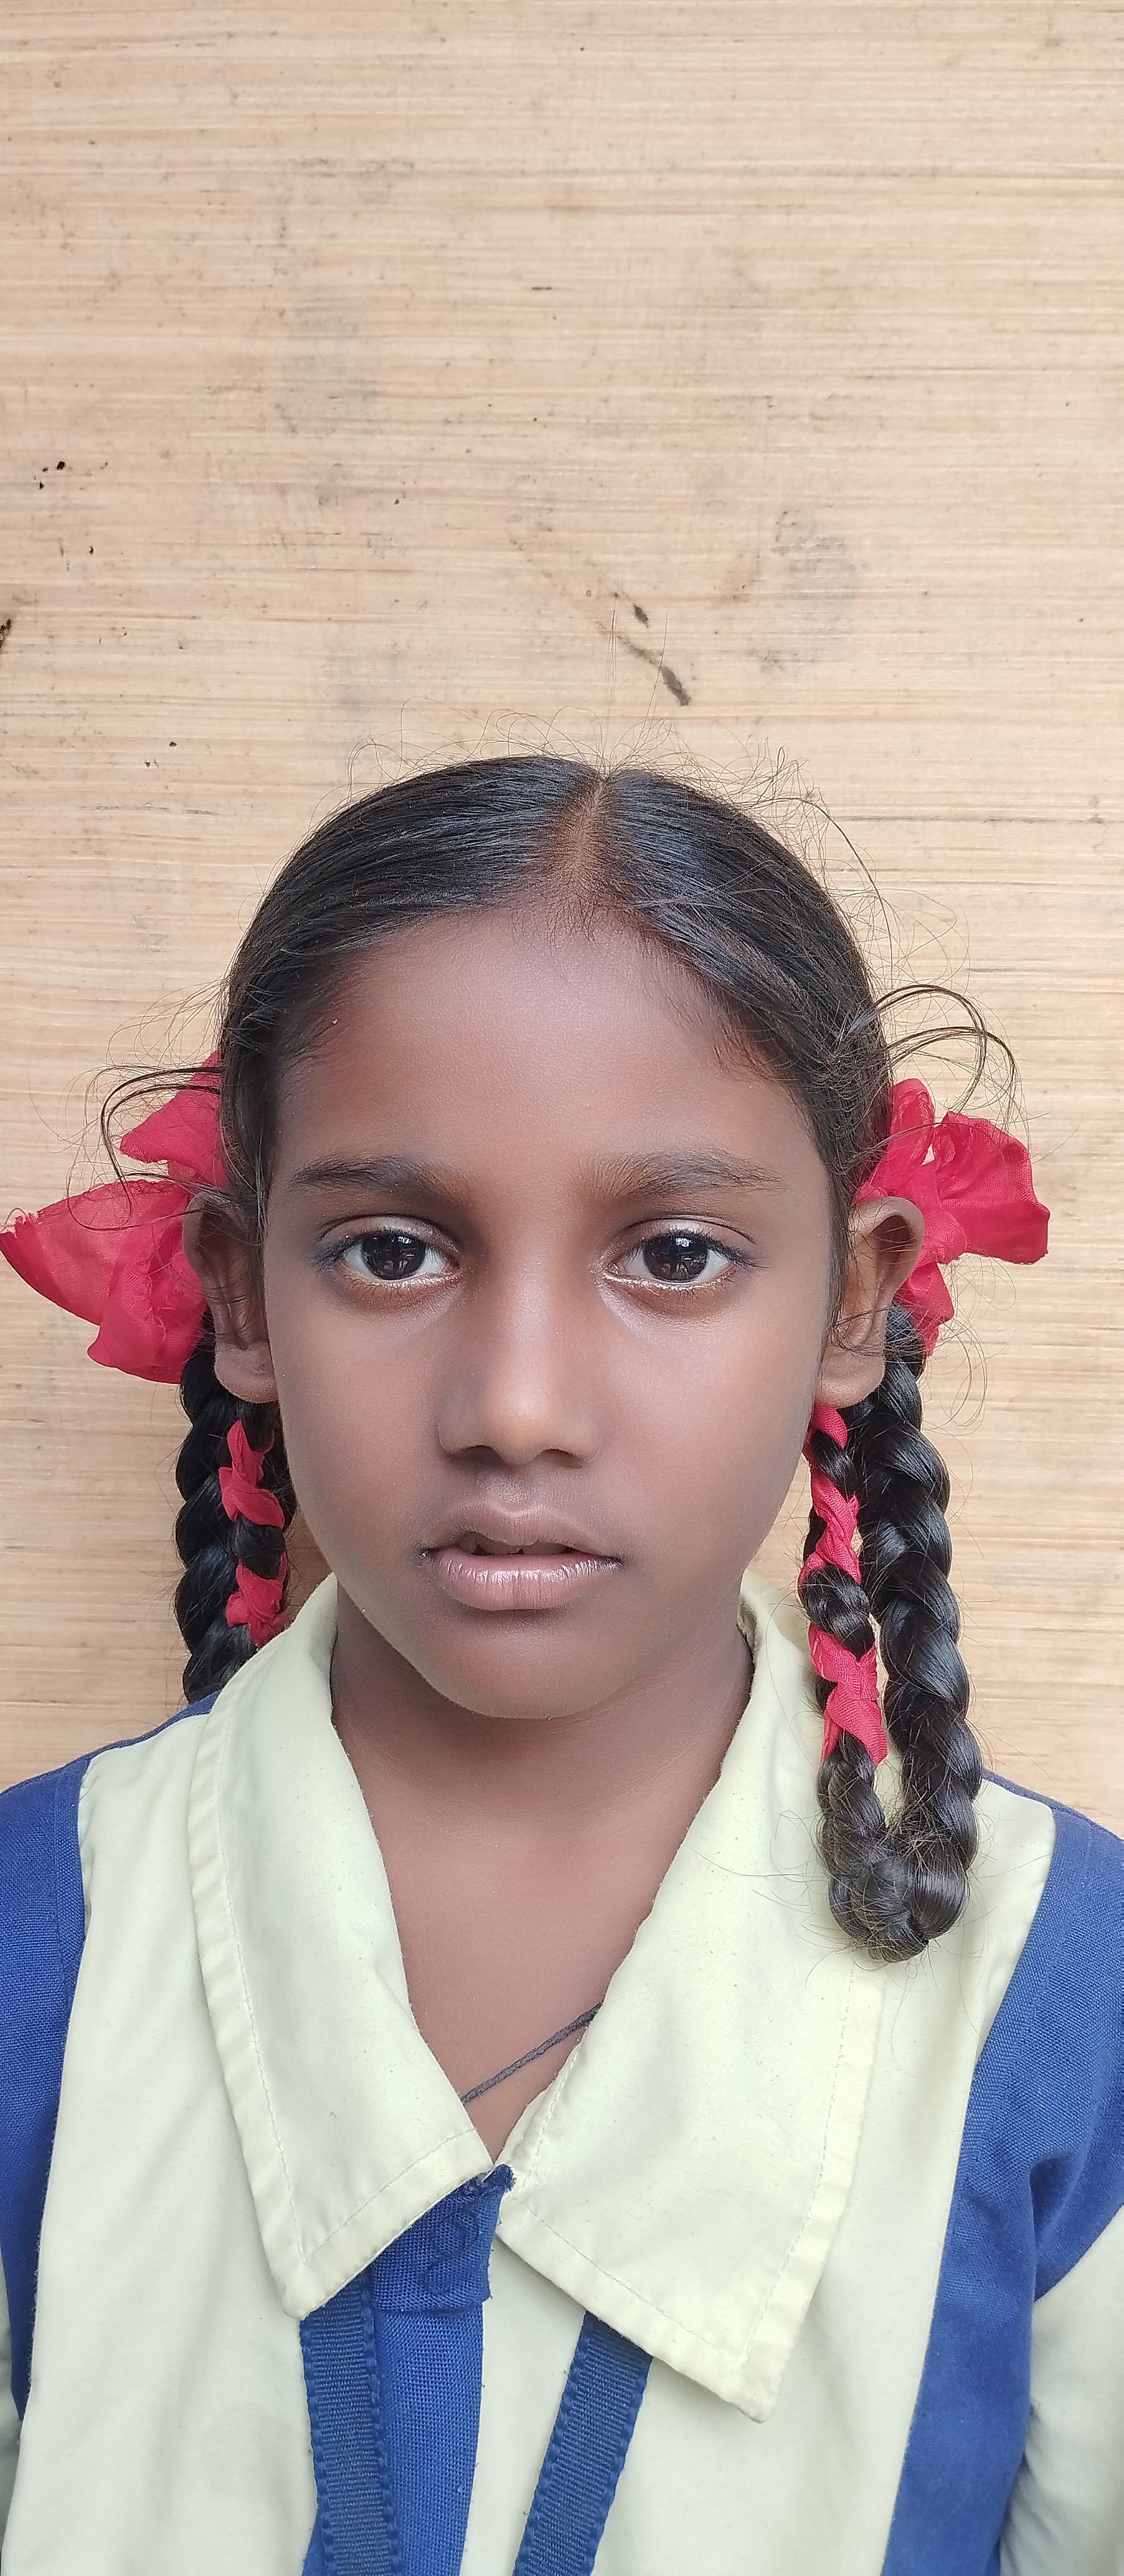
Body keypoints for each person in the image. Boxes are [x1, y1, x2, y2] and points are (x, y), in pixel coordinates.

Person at [0, 754, 1118, 2576]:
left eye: (673, 1255)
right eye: (390, 1250)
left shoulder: (1069, 2011)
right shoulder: (32, 1952)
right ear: (239, 1289)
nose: (516, 1405)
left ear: (852, 1299)